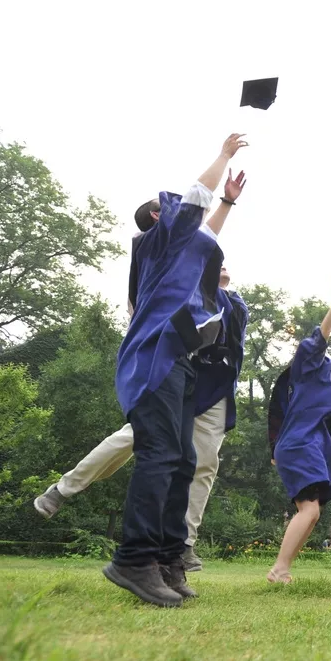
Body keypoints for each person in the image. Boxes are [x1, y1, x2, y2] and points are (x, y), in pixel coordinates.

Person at [103, 133, 247, 607]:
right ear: (158, 219)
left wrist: (227, 202)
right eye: (176, 208)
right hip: (153, 361)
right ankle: (134, 559)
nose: (192, 212)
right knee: (161, 456)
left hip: (179, 362)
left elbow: (206, 231)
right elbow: (194, 202)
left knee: (183, 461)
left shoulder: (177, 253)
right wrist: (223, 156)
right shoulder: (154, 244)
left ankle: (167, 560)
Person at [34, 264, 249, 574]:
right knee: (133, 436)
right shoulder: (180, 290)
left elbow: (229, 332)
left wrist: (217, 289)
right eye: (216, 262)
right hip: (175, 375)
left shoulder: (235, 303)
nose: (223, 265)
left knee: (205, 463)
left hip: (215, 387)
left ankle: (184, 544)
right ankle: (63, 489)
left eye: (225, 263)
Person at [267, 278, 331, 584]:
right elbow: (319, 340)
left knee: (312, 512)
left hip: (308, 445)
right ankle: (279, 569)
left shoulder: (323, 380)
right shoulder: (305, 362)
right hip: (298, 444)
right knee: (308, 510)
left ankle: (282, 569)